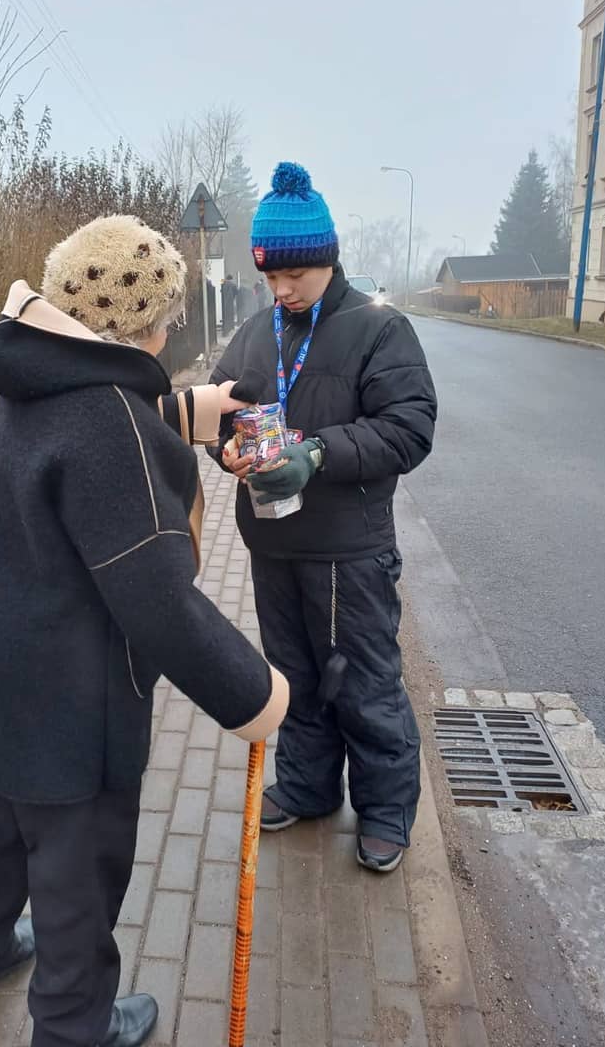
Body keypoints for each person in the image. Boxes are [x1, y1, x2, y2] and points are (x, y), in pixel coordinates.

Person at [0, 214, 289, 1047]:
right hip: (70, 694)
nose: (172, 332)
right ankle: (74, 1026)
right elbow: (161, 606)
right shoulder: (108, 426)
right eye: (165, 318)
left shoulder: (35, 380)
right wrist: (257, 695)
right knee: (78, 871)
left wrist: (182, 412)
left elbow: (92, 429)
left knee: (0, 821)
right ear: (140, 325)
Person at [210, 162, 437, 874]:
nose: (281, 291)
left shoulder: (378, 329)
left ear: (327, 260)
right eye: (271, 278)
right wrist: (226, 454)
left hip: (349, 551)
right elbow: (223, 411)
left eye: (295, 277)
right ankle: (308, 789)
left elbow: (410, 428)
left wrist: (317, 453)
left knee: (362, 684)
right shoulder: (255, 333)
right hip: (274, 543)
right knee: (296, 680)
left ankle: (387, 814)